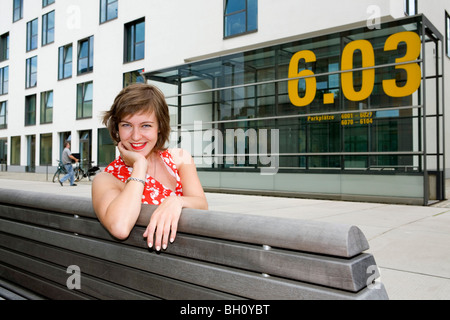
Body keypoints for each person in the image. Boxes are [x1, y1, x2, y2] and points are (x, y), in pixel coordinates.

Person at [92, 83, 208, 252]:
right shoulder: (107, 179)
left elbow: (202, 205)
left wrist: (176, 201)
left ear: (159, 127)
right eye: (126, 125)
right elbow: (120, 227)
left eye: (146, 125)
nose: (136, 136)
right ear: (117, 128)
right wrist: (139, 166)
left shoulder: (180, 159)